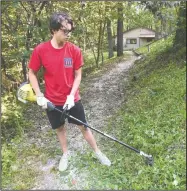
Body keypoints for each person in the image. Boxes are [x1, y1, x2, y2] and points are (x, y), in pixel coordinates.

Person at [28, 12, 111, 171]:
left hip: (72, 99)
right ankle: (66, 154)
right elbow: (31, 72)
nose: (68, 34)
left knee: (84, 127)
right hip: (52, 101)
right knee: (60, 128)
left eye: (69, 31)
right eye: (64, 31)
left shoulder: (74, 50)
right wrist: (39, 95)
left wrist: (71, 96)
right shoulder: (40, 50)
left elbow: (78, 75)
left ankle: (98, 152)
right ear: (53, 30)